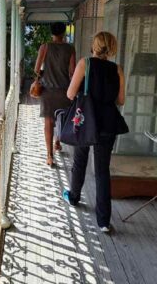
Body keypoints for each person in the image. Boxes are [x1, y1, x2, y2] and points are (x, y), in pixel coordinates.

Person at [62, 31, 126, 233]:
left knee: (80, 160)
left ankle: (73, 196)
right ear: (111, 48)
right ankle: (104, 222)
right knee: (102, 171)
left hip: (86, 120)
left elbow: (70, 94)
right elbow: (121, 100)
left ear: (95, 45)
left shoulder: (85, 64)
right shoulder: (117, 69)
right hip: (108, 123)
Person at [34, 22, 76, 166]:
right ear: (64, 32)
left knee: (48, 122)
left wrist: (46, 74)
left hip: (48, 91)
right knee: (61, 119)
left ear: (51, 32)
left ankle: (49, 156)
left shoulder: (45, 47)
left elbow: (36, 69)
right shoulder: (70, 49)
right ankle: (57, 142)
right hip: (64, 91)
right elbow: (72, 72)